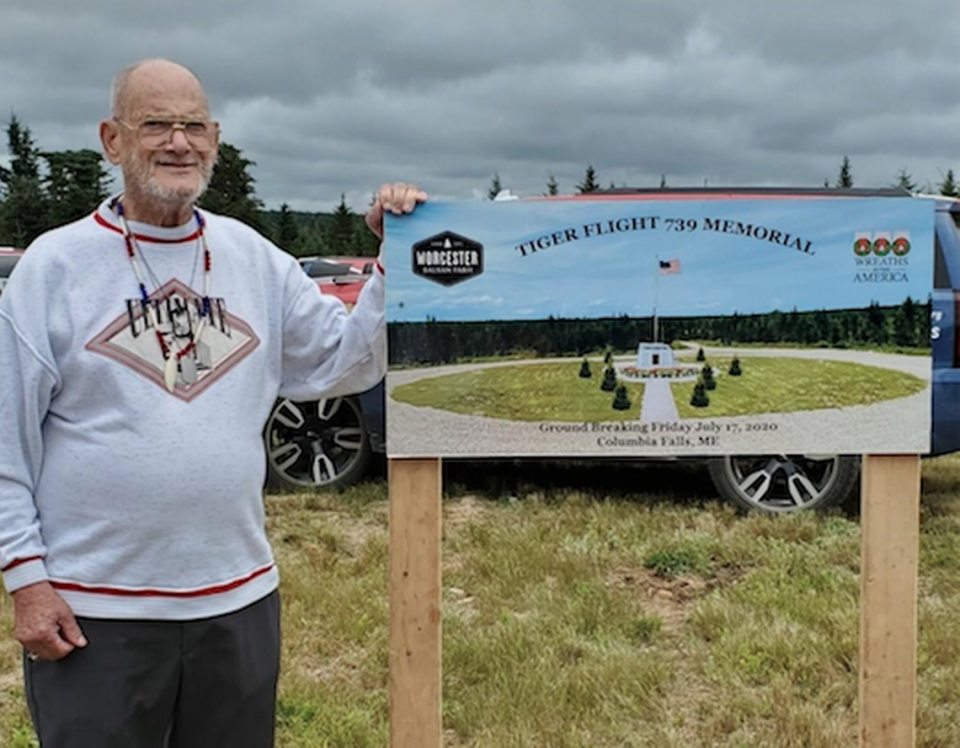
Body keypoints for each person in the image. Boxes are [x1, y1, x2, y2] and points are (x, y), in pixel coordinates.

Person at [0, 58, 425, 748]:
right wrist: (27, 582)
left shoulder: (254, 258)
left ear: (216, 138)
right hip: (95, 611)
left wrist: (392, 258)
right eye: (156, 125)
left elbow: (344, 362)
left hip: (237, 599)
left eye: (194, 125)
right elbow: (5, 440)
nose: (179, 142)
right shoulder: (54, 268)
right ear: (112, 140)